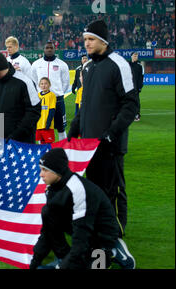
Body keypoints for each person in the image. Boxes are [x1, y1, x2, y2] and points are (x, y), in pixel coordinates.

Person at [68, 19, 139, 237]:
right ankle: (100, 229)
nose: (86, 44)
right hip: (89, 145)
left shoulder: (119, 64)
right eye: (85, 40)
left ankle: (115, 233)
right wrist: (74, 128)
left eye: (91, 39)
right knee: (95, 191)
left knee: (112, 191)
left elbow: (131, 104)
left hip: (111, 144)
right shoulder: (88, 68)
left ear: (103, 41)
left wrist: (111, 134)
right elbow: (86, 103)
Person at [30, 148, 136, 269]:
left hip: (101, 234)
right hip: (82, 227)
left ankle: (113, 249)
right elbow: (47, 231)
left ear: (57, 170)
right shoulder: (51, 189)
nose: (40, 174)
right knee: (48, 213)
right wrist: (34, 263)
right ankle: (64, 257)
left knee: (91, 262)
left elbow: (82, 234)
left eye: (45, 170)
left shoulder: (78, 189)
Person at [0, 52, 40, 144]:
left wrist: (16, 134)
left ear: (5, 67)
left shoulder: (25, 81)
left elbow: (34, 111)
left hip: (21, 140)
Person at [31, 42, 70, 141]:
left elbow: (66, 82)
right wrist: (41, 92)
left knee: (61, 127)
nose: (49, 49)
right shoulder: (36, 64)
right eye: (47, 47)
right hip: (42, 100)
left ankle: (63, 150)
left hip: (58, 100)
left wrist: (57, 93)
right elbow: (34, 80)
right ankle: (43, 151)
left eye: (51, 48)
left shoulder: (62, 64)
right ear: (43, 49)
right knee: (42, 126)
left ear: (54, 49)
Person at [36, 77, 56, 144]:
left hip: (47, 125)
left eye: (45, 83)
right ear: (39, 85)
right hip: (39, 124)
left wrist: (48, 123)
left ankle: (51, 154)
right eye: (41, 84)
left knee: (49, 143)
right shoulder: (38, 95)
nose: (43, 85)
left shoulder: (52, 95)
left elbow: (52, 110)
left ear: (49, 85)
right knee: (41, 144)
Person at [129, 52, 144, 121]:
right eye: (134, 56)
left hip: (136, 87)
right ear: (131, 56)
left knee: (136, 101)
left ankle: (137, 114)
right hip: (128, 87)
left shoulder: (140, 66)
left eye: (136, 56)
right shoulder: (127, 64)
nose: (135, 57)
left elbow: (141, 77)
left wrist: (140, 87)